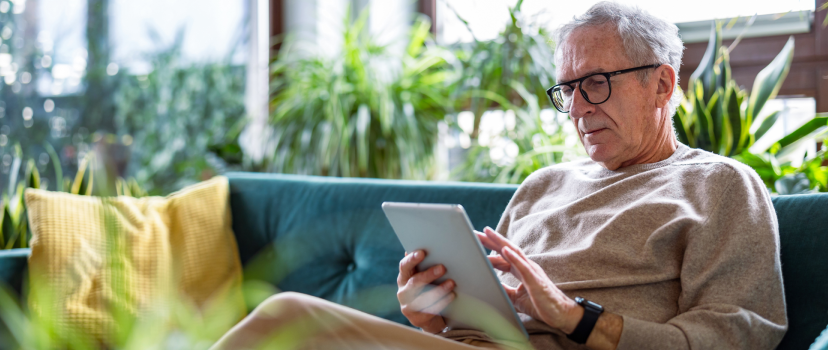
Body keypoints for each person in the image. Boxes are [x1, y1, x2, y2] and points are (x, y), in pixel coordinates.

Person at [211, 2, 787, 349]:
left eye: (596, 83)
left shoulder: (720, 186)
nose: (580, 106)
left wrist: (575, 318)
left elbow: (739, 338)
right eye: (567, 90)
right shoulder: (543, 185)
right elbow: (481, 322)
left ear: (661, 84)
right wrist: (429, 314)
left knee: (290, 317)